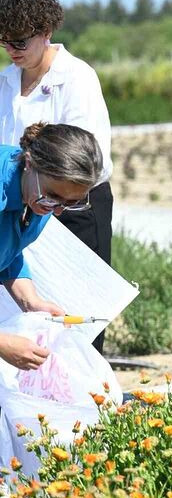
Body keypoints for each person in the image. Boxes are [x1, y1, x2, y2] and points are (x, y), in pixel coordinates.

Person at [0, 0, 113, 353]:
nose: (11, 51)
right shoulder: (5, 81)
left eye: (19, 42)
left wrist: (53, 201)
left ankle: (83, 386)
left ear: (46, 32)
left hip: (75, 196)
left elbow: (82, 159)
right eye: (4, 42)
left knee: (76, 304)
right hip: (19, 195)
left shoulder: (76, 78)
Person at [1, 122, 103, 370]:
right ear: (29, 163)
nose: (57, 211)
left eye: (71, 202)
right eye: (53, 197)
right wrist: (3, 344)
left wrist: (31, 301)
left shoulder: (38, 194)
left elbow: (8, 249)